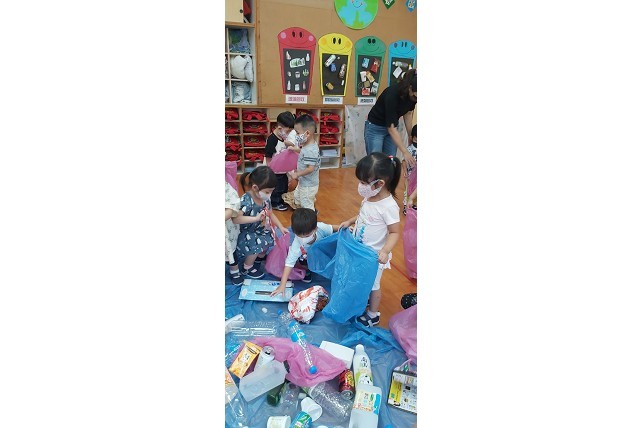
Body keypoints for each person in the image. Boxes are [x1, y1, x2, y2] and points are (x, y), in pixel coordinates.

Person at [339, 152, 402, 327]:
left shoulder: (388, 207)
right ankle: (365, 299)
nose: (360, 186)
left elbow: (395, 232)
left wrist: (385, 251)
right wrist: (350, 221)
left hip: (374, 257)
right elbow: (363, 215)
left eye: (364, 182)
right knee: (361, 278)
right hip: (360, 250)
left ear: (380, 183)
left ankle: (373, 314)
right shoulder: (369, 197)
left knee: (374, 285)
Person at [233, 166, 289, 279]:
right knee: (257, 243)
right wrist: (255, 219)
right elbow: (236, 219)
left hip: (256, 229)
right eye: (267, 192)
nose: (269, 194)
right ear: (255, 187)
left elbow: (271, 213)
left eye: (271, 191)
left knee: (270, 237)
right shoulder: (246, 200)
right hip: (244, 233)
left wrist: (281, 226)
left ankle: (258, 257)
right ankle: (247, 267)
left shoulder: (265, 198)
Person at [270, 208, 339, 297]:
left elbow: (334, 228)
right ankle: (307, 270)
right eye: (299, 235)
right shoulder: (297, 245)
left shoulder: (321, 228)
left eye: (306, 236)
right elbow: (289, 263)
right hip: (308, 256)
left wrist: (346, 229)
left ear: (315, 229)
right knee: (303, 259)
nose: (303, 239)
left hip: (324, 252)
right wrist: (282, 285)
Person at [364, 69, 417, 167]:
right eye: (415, 96)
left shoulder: (413, 97)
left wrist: (410, 136)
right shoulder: (392, 94)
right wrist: (405, 152)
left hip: (392, 128)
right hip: (376, 128)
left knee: (390, 162)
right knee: (375, 162)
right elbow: (391, 128)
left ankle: (387, 177)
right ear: (410, 88)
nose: (416, 99)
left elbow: (408, 113)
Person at [286, 114, 320, 211]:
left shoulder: (310, 150)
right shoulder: (308, 145)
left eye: (297, 133)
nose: (296, 136)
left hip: (308, 184)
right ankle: (305, 207)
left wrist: (297, 174)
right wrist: (295, 149)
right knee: (298, 198)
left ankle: (311, 216)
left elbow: (310, 168)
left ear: (307, 133)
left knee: (306, 205)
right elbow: (304, 153)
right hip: (304, 181)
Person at [264, 111, 296, 211]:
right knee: (276, 187)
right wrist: (270, 169)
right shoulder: (272, 140)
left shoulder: (283, 139)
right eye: (288, 131)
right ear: (279, 128)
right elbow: (268, 155)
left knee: (284, 186)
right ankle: (275, 203)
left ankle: (281, 200)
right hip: (274, 170)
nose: (289, 133)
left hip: (282, 169)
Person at [225, 181, 243, 285]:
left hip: (227, 229)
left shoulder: (226, 188)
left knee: (230, 251)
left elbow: (232, 206)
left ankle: (234, 270)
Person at [403, 124, 418, 215]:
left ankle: (414, 204)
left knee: (416, 190)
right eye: (416, 139)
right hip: (409, 175)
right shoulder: (409, 149)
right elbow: (404, 161)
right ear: (412, 138)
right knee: (407, 191)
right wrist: (405, 170)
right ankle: (406, 206)